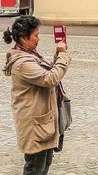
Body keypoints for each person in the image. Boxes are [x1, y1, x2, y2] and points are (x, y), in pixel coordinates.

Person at [2, 16, 70, 175]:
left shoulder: (31, 55)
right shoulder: (22, 62)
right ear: (24, 38)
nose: (38, 39)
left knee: (44, 164)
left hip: (43, 123)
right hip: (34, 127)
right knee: (35, 169)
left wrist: (58, 55)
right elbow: (50, 78)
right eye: (36, 35)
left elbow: (47, 71)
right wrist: (63, 56)